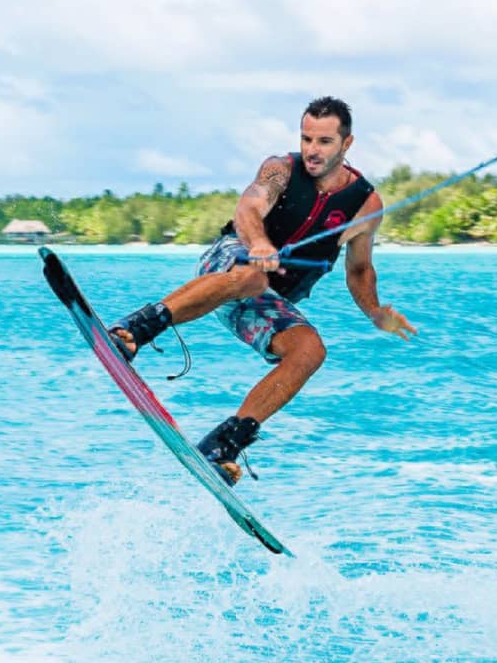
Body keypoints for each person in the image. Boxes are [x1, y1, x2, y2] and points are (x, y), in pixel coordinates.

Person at [108, 96, 416, 485]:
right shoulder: (280, 170)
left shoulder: (364, 204)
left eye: (323, 142)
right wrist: (258, 243)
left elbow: (359, 269)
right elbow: (248, 209)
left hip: (262, 301)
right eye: (306, 139)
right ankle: (132, 332)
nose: (311, 151)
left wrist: (374, 312)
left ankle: (225, 444)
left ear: (346, 144)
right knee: (255, 276)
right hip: (228, 267)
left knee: (310, 350)